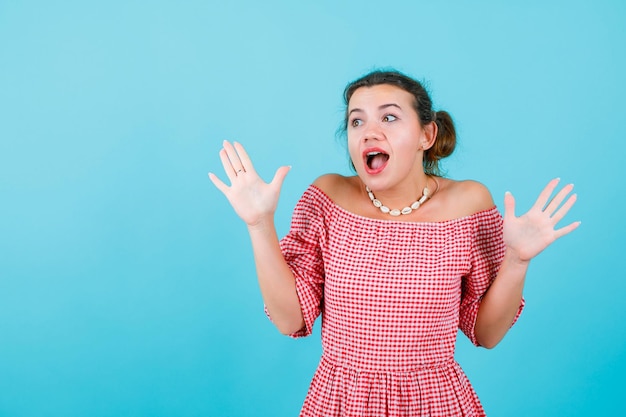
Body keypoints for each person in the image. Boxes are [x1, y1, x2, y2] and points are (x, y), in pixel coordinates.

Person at [208, 70, 579, 416]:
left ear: (426, 135)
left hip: (435, 402)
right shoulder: (327, 197)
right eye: (357, 121)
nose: (369, 131)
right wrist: (259, 225)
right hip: (341, 401)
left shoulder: (470, 204)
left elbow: (487, 332)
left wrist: (517, 260)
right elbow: (290, 319)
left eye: (388, 117)